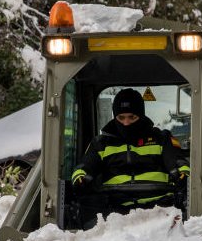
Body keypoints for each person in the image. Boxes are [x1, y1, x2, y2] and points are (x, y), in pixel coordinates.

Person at [71, 88, 189, 223]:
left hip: (159, 207)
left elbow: (177, 161)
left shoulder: (162, 139)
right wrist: (81, 175)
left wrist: (182, 171)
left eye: (132, 117)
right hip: (115, 210)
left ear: (141, 115)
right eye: (121, 118)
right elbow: (85, 165)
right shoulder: (101, 144)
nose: (126, 123)